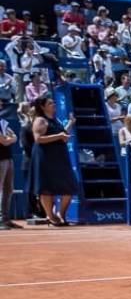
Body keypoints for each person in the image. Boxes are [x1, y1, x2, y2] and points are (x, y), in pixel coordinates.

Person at [29, 95, 77, 226]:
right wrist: (59, 136)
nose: (54, 105)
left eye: (54, 102)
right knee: (46, 188)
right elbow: (38, 139)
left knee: (69, 187)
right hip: (45, 157)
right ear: (43, 106)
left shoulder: (55, 120)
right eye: (50, 103)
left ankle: (61, 215)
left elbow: (62, 134)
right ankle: (51, 217)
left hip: (59, 157)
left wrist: (71, 123)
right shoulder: (40, 120)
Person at [0, 114, 17, 229]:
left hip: (8, 158)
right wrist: (9, 139)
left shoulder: (3, 122)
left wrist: (9, 139)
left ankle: (5, 219)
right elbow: (4, 141)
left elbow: (14, 136)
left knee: (8, 189)